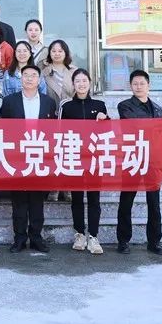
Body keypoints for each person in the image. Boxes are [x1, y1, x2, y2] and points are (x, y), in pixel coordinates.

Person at [0, 65, 57, 254]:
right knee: (19, 201)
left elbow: (53, 131)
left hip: (40, 156)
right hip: (17, 156)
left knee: (37, 201)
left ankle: (36, 238)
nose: (29, 79)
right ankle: (19, 238)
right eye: (26, 75)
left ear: (39, 80)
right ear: (21, 78)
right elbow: (3, 129)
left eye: (33, 75)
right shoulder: (10, 101)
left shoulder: (49, 102)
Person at [116, 69, 162, 256]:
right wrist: (159, 123)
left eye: (142, 83)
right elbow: (135, 124)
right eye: (135, 84)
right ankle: (123, 241)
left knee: (154, 202)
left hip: (153, 160)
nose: (138, 87)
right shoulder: (125, 106)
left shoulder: (159, 109)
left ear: (148, 85)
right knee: (126, 201)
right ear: (130, 86)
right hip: (133, 157)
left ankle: (154, 241)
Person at [59, 68, 108, 255]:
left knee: (94, 198)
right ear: (73, 84)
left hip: (95, 158)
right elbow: (59, 133)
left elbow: (107, 131)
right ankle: (79, 234)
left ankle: (93, 236)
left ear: (90, 83)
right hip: (75, 157)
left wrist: (106, 118)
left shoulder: (100, 105)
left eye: (84, 81)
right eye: (77, 81)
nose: (81, 84)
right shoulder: (66, 106)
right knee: (77, 198)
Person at [41, 39, 77, 109]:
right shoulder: (44, 73)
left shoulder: (74, 71)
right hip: (50, 110)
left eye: (60, 51)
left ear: (66, 53)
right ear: (49, 53)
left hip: (71, 110)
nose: (57, 54)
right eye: (53, 51)